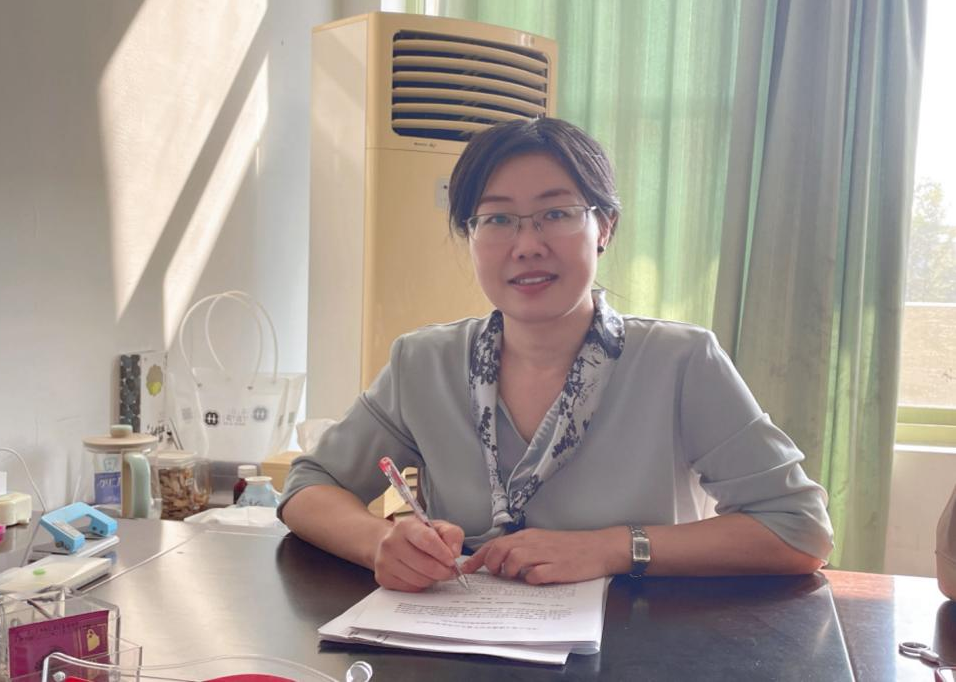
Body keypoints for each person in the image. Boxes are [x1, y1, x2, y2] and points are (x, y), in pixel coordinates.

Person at [280, 118, 834, 592]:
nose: (527, 245)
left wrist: (614, 548)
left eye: (557, 213)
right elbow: (309, 486)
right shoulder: (424, 362)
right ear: (470, 236)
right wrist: (380, 542)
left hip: (639, 647)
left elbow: (800, 529)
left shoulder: (681, 361)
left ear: (604, 228)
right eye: (497, 219)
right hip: (467, 646)